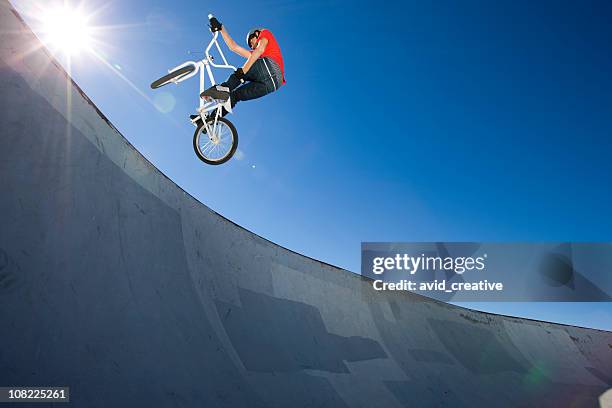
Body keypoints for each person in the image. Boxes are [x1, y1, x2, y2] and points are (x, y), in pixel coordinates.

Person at [193, 16, 285, 121]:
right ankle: (211, 120)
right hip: (273, 85)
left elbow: (260, 49)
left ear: (256, 34)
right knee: (235, 96)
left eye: (251, 41)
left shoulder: (264, 33)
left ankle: (222, 88)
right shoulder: (255, 55)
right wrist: (221, 28)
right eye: (251, 46)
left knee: (239, 73)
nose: (252, 46)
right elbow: (234, 47)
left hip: (272, 68)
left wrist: (243, 71)